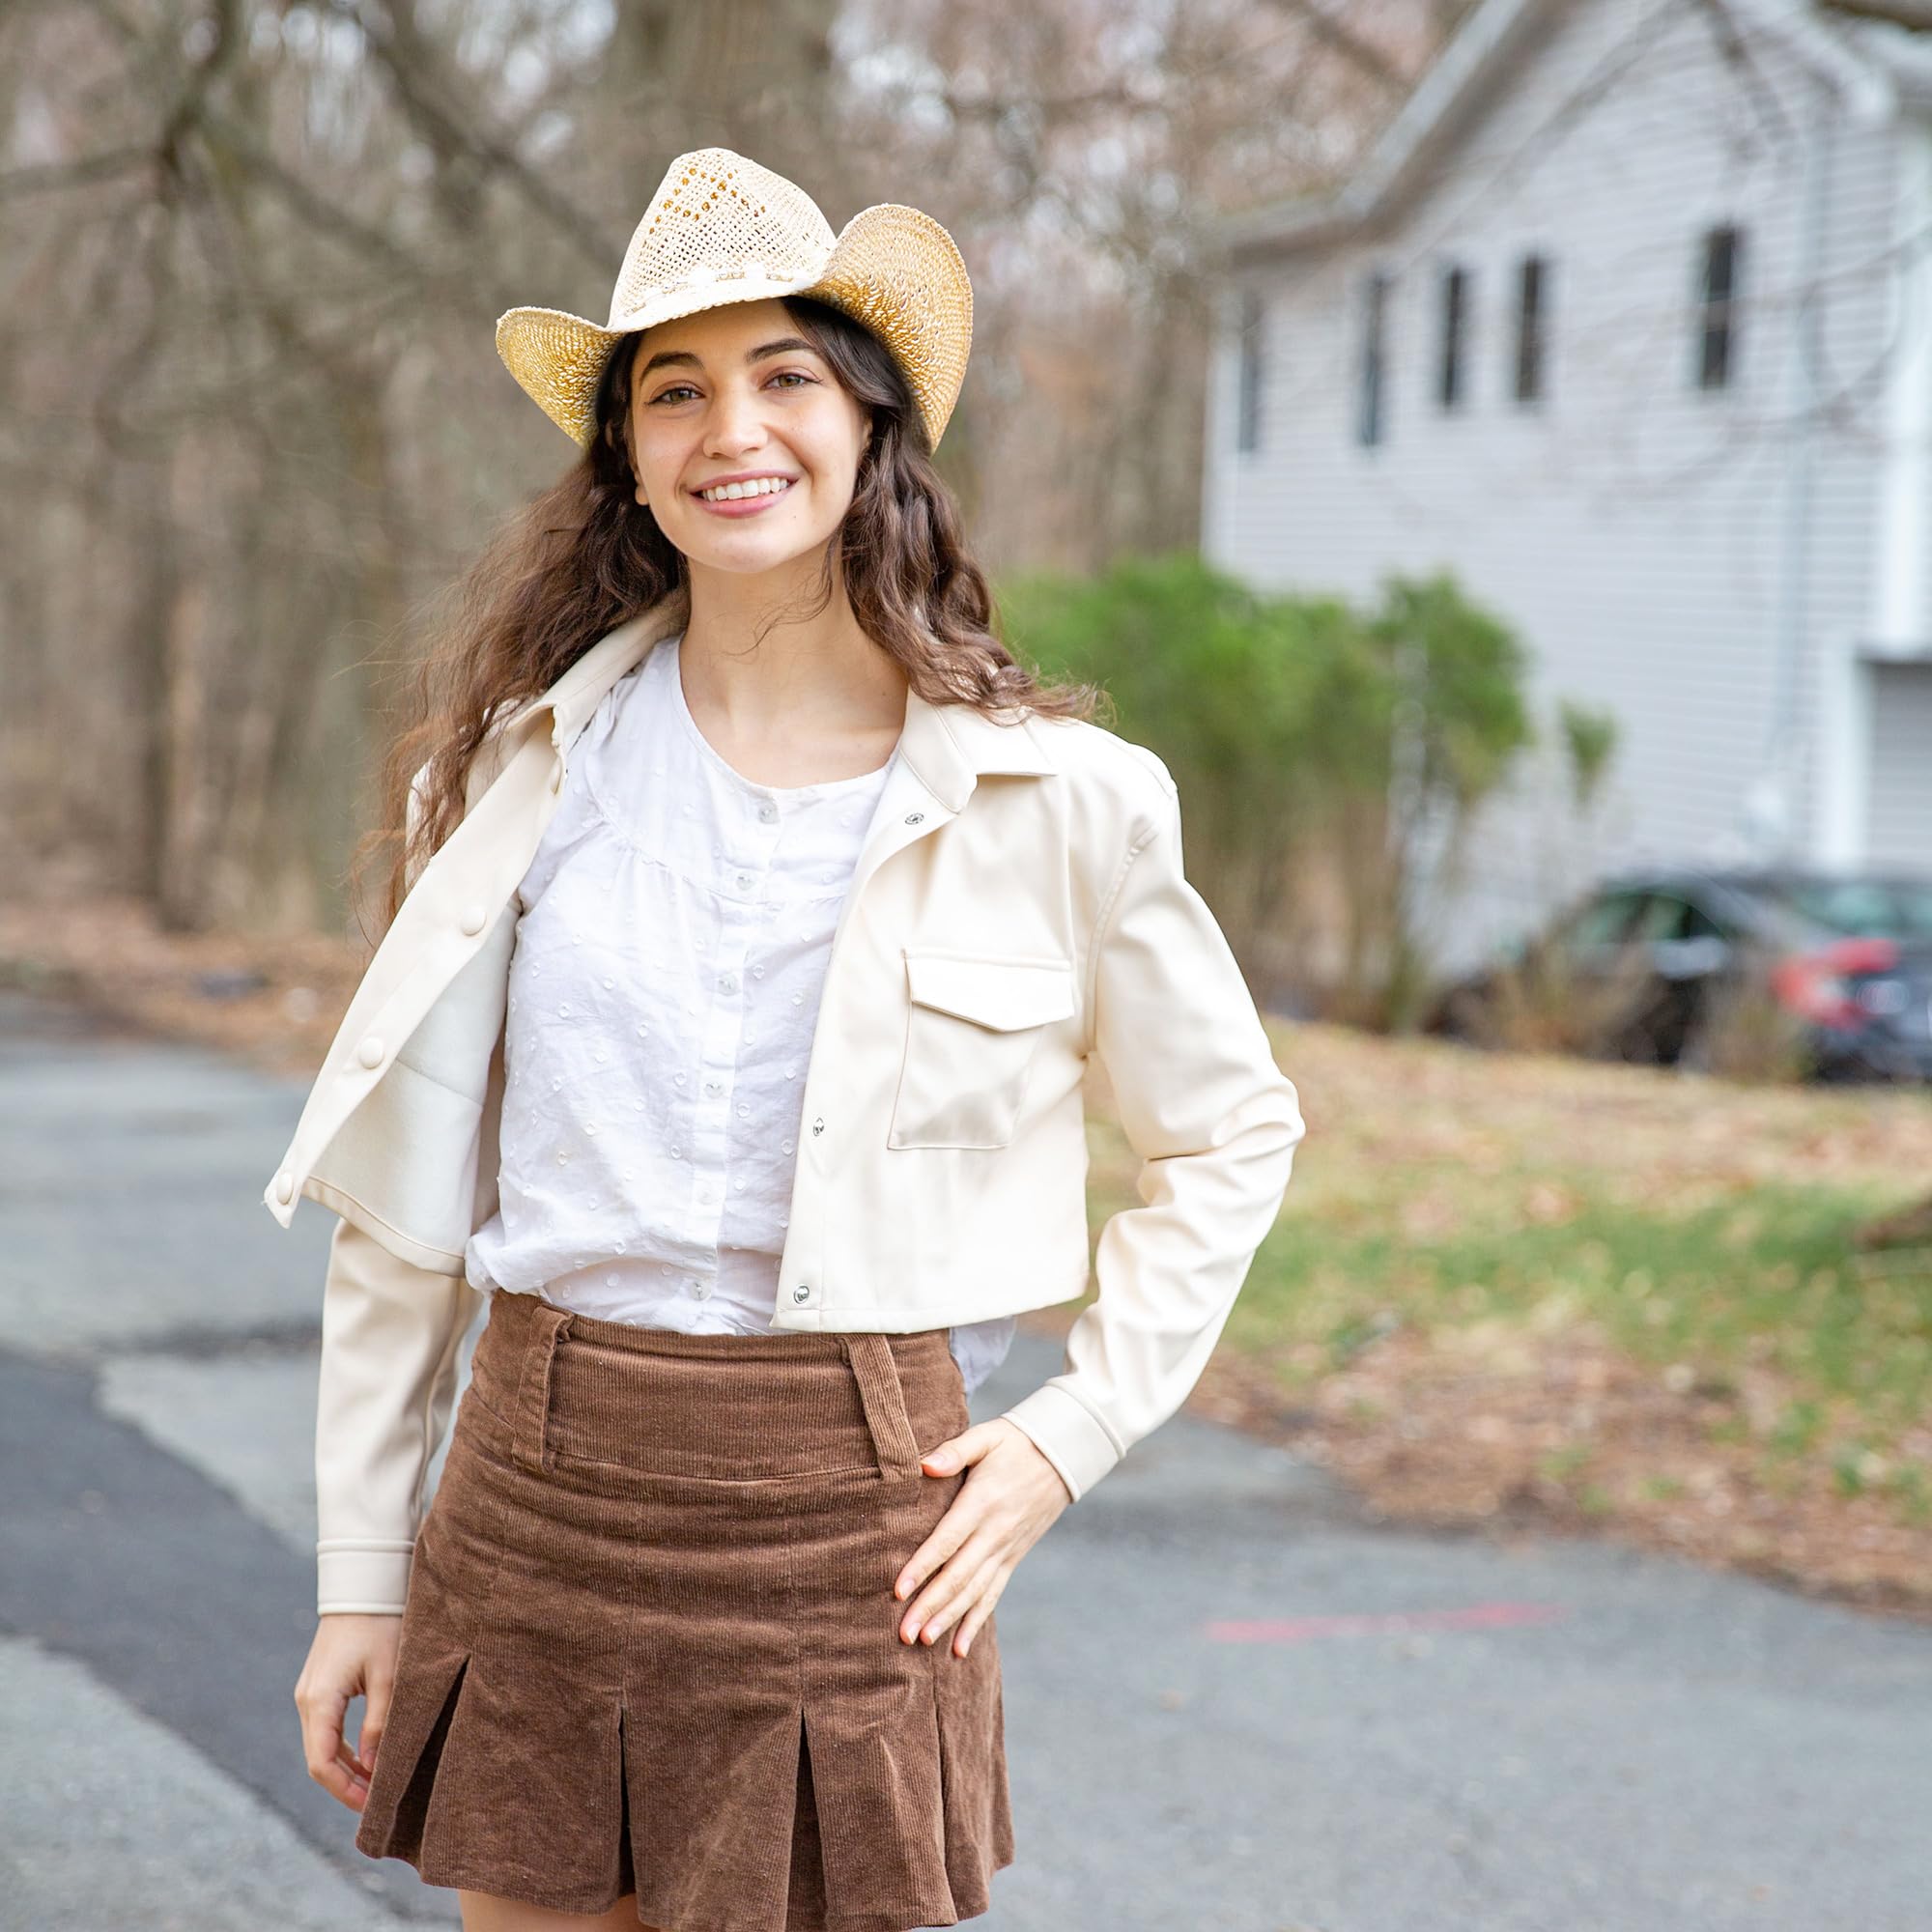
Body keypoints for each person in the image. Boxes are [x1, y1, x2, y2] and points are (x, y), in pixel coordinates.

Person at [279, 146, 1305, 1932]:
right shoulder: (519, 780)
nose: (727, 429)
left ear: (869, 425)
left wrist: (1075, 1431)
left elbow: (1229, 1138)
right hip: (537, 1493)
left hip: (859, 1520)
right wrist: (361, 1571)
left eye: (783, 376)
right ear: (628, 464)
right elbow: (408, 1213)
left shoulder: (1060, 799)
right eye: (673, 390)